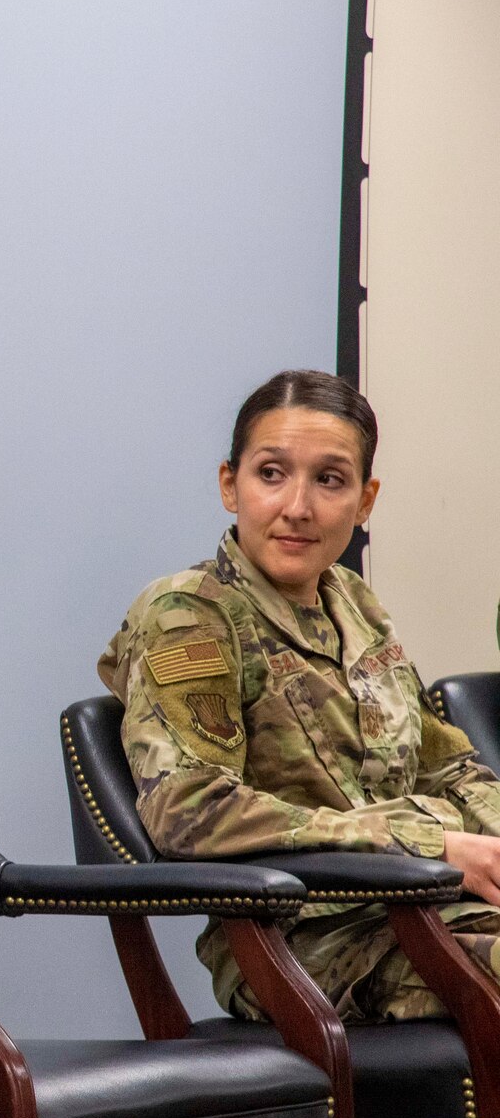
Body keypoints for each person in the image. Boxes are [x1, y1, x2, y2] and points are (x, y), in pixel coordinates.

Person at [100, 368, 500, 1021]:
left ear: (365, 501)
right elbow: (189, 807)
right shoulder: (187, 613)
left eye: (330, 479)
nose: (298, 507)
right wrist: (426, 843)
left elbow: (447, 766)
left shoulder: (355, 605)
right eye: (271, 473)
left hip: (426, 911)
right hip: (295, 947)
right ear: (231, 484)